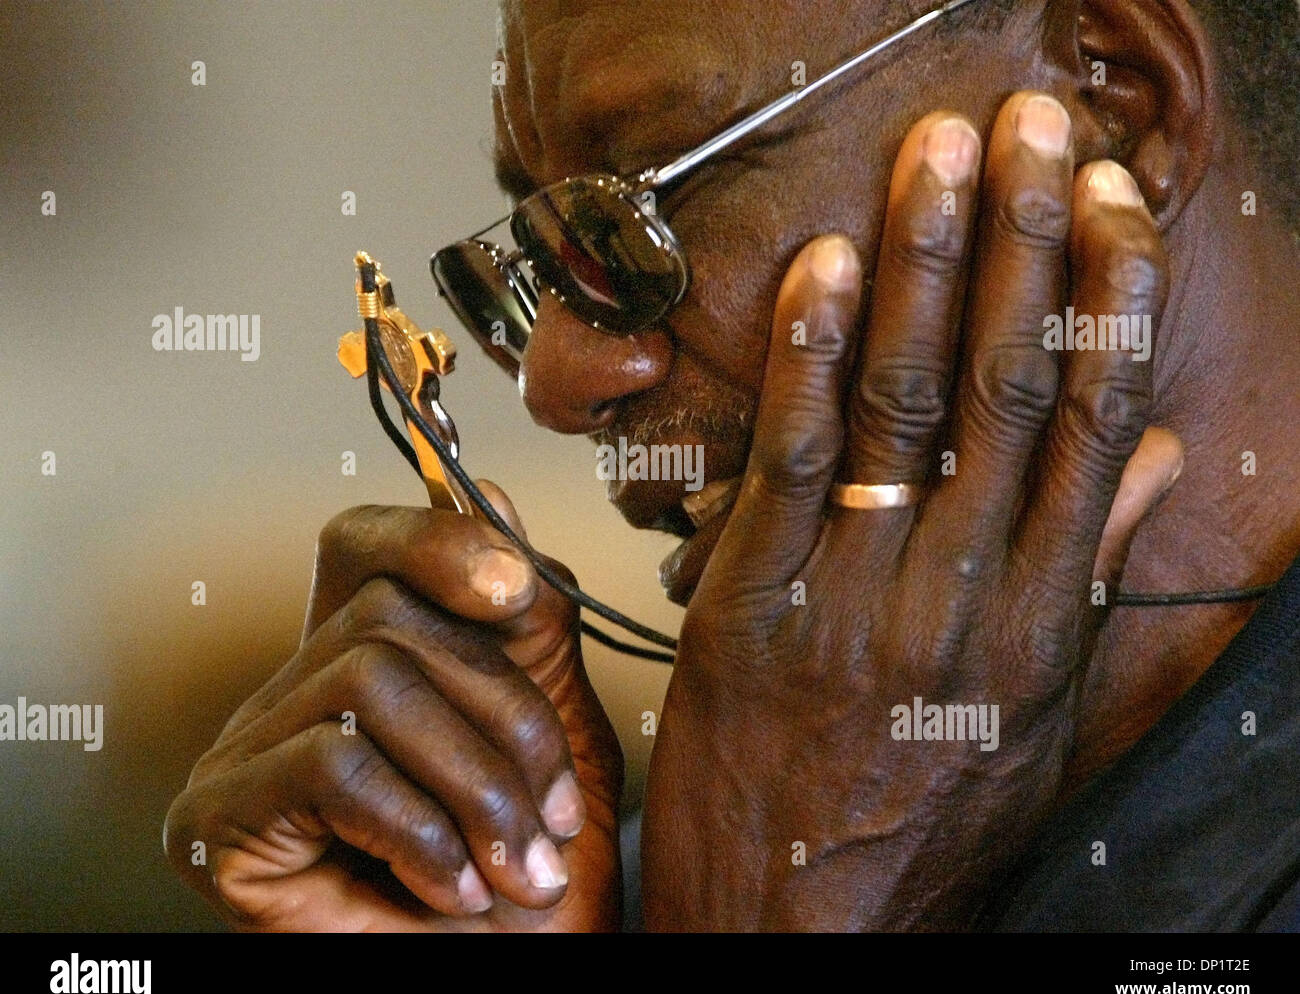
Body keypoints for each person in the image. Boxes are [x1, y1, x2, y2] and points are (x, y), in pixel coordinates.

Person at [165, 0, 1300, 931]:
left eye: (642, 207)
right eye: (550, 254)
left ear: (1113, 100)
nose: (556, 378)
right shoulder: (659, 875)